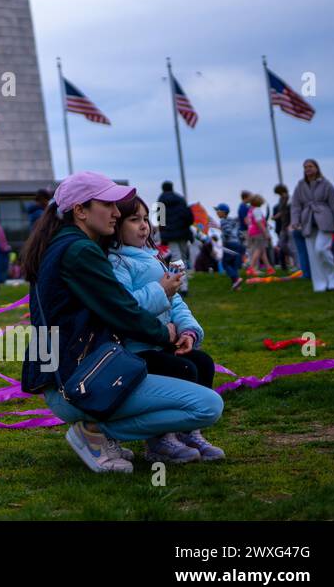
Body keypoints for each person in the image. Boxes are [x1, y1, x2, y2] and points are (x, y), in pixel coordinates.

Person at [20, 171, 222, 474]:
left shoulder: (64, 244)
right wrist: (165, 334)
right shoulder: (79, 251)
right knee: (207, 407)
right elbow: (122, 311)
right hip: (81, 384)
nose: (117, 212)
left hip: (70, 378)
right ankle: (96, 434)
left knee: (195, 373)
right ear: (80, 210)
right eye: (109, 204)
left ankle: (103, 434)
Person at [108, 196, 224, 463]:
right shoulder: (117, 263)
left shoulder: (152, 256)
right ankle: (159, 439)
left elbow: (176, 302)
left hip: (164, 342)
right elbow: (127, 307)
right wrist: (161, 290)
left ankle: (187, 431)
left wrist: (189, 331)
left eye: (145, 219)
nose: (143, 226)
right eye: (134, 220)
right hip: (137, 349)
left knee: (202, 363)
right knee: (183, 370)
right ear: (117, 225)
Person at [291, 159, 334, 293]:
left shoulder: (326, 185)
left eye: (310, 166)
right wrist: (295, 221)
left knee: (321, 249)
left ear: (316, 168)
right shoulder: (300, 186)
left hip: (325, 220)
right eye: (305, 167)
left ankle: (332, 276)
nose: (307, 169)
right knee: (313, 255)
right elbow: (296, 205)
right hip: (307, 221)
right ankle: (320, 284)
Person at [156, 181, 195, 271]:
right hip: (183, 232)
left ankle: (179, 281)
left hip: (169, 234)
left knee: (176, 256)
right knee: (183, 256)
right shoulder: (180, 199)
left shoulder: (160, 200)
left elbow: (158, 219)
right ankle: (183, 280)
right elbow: (189, 217)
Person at [213, 204, 245, 289]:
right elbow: (240, 233)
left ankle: (236, 279)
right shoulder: (233, 221)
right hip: (237, 243)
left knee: (225, 264)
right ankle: (236, 285)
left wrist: (223, 236)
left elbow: (227, 232)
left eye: (218, 211)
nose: (217, 213)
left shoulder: (223, 221)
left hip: (229, 244)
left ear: (223, 212)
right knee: (233, 265)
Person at [244, 194, 272, 275]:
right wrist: (266, 233)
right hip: (258, 232)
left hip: (251, 232)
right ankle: (251, 268)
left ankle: (269, 268)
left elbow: (247, 220)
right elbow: (259, 222)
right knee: (258, 250)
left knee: (262, 250)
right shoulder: (257, 210)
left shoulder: (250, 210)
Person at [271, 184, 295, 270]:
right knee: (282, 245)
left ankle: (297, 264)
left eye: (279, 193)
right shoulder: (281, 199)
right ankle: (290, 261)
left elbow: (293, 212)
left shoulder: (290, 199)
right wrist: (275, 217)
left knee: (292, 246)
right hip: (283, 226)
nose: (280, 195)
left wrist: (292, 224)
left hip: (290, 225)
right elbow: (281, 212)